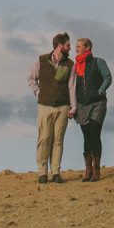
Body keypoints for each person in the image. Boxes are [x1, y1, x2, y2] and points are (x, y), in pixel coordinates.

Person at [28, 32, 74, 183]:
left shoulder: (69, 64)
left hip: (62, 106)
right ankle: (42, 172)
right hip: (44, 106)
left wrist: (73, 106)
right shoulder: (41, 60)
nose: (70, 47)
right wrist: (38, 92)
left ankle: (56, 172)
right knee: (44, 139)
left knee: (58, 140)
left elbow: (71, 87)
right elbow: (31, 78)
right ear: (60, 46)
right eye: (68, 45)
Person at [71, 36, 112, 182]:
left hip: (98, 104)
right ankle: (87, 169)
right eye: (76, 47)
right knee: (86, 136)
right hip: (83, 105)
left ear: (87, 47)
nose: (76, 49)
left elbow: (108, 77)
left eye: (79, 46)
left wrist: (101, 90)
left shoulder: (98, 62)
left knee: (95, 134)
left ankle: (97, 170)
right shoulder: (76, 66)